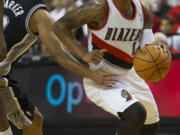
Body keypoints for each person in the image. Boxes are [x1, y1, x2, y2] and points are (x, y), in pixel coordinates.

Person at [53, 0, 170, 134]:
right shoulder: (98, 7)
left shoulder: (144, 10)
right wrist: (83, 53)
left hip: (130, 74)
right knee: (136, 114)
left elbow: (147, 50)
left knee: (151, 127)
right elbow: (60, 26)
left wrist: (160, 53)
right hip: (102, 78)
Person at [1, 0, 117, 135]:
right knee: (25, 121)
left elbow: (60, 54)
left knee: (34, 120)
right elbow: (60, 55)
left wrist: (85, 58)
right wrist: (90, 73)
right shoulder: (41, 16)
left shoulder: (34, 12)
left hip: (3, 75)